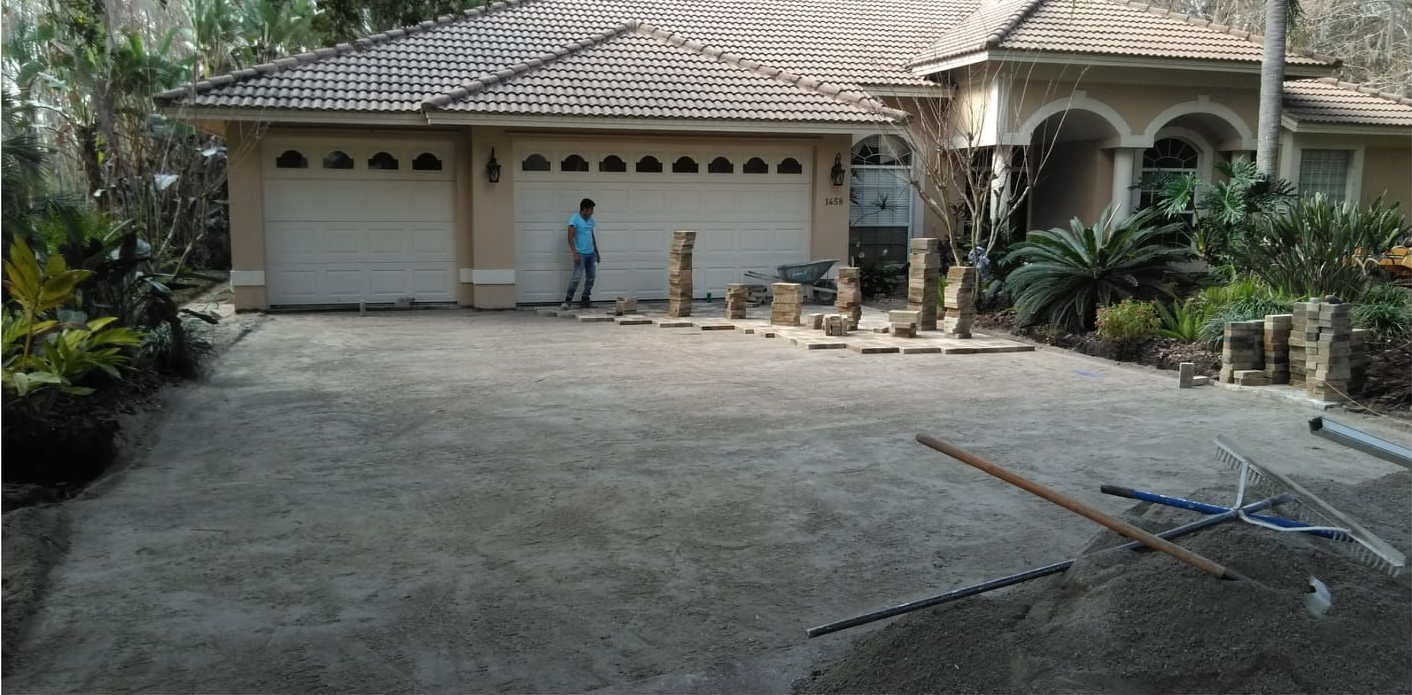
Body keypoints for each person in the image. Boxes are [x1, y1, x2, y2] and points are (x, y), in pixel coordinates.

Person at [561, 198, 601, 310]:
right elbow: (570, 237)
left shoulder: (590, 220)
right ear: (585, 209)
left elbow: (592, 237)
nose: (592, 212)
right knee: (576, 278)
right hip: (581, 254)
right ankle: (567, 301)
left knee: (591, 277)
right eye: (591, 209)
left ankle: (585, 300)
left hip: (591, 254)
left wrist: (597, 252)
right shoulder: (574, 220)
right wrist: (575, 253)